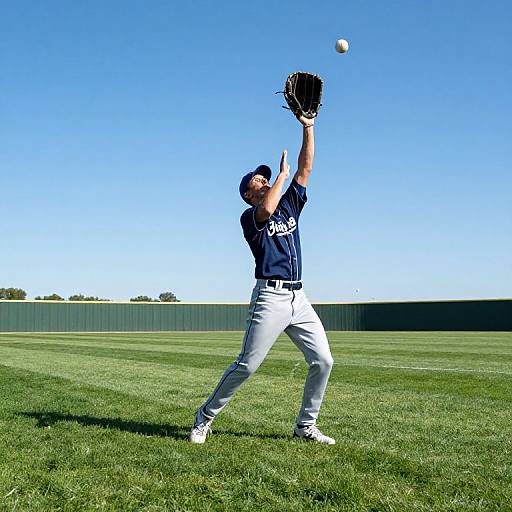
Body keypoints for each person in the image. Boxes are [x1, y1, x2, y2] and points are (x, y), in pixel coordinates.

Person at [189, 114, 335, 444]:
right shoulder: (250, 217)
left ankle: (305, 427)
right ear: (248, 194)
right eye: (258, 180)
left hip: (299, 298)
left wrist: (308, 127)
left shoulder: (290, 205)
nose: (264, 180)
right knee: (247, 365)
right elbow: (267, 210)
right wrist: (281, 174)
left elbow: (306, 168)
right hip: (270, 298)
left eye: (265, 178)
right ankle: (204, 417)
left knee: (323, 360)